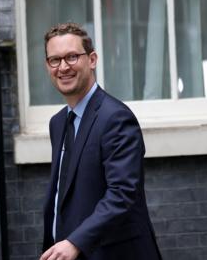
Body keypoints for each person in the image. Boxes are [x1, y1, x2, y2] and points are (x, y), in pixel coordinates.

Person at [40, 22, 163, 260]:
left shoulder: (115, 117)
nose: (63, 67)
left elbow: (123, 193)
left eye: (72, 57)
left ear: (92, 59)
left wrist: (75, 242)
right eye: (55, 60)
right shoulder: (58, 123)